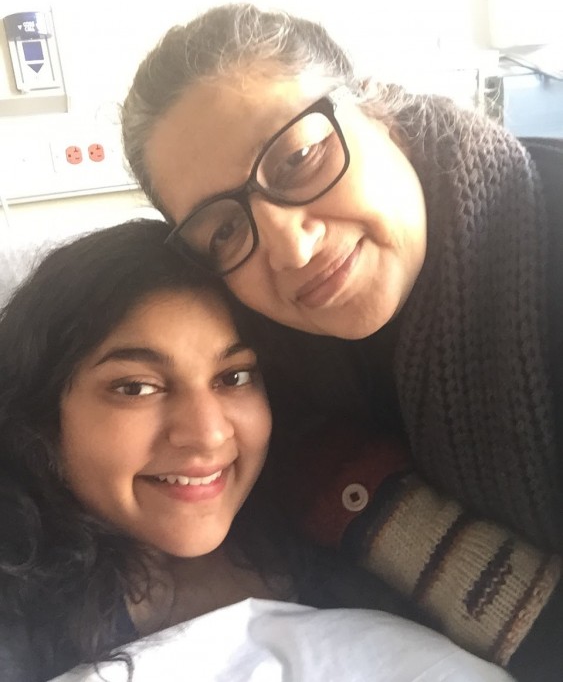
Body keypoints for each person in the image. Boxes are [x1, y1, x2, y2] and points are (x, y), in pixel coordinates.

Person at [120, 3, 563, 679]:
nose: (291, 248)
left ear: (378, 112)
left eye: (298, 157)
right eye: (222, 231)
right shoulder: (262, 375)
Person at [0, 218, 513, 682]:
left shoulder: (347, 522)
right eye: (136, 387)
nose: (207, 433)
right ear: (41, 415)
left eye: (234, 376)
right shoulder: (19, 625)